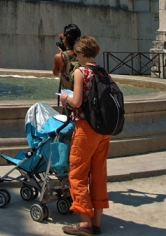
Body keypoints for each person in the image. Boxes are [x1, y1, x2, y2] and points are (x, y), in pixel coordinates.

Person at [60, 36, 109, 236]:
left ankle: (84, 222)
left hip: (86, 128)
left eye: (78, 54)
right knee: (98, 175)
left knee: (77, 174)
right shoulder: (102, 71)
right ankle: (96, 222)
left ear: (81, 53)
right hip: (103, 131)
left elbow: (78, 101)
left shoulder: (81, 72)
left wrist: (65, 97)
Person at [52, 23, 81, 91]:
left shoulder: (59, 57)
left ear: (65, 39)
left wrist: (61, 52)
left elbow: (55, 73)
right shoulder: (83, 53)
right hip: (82, 92)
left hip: (68, 93)